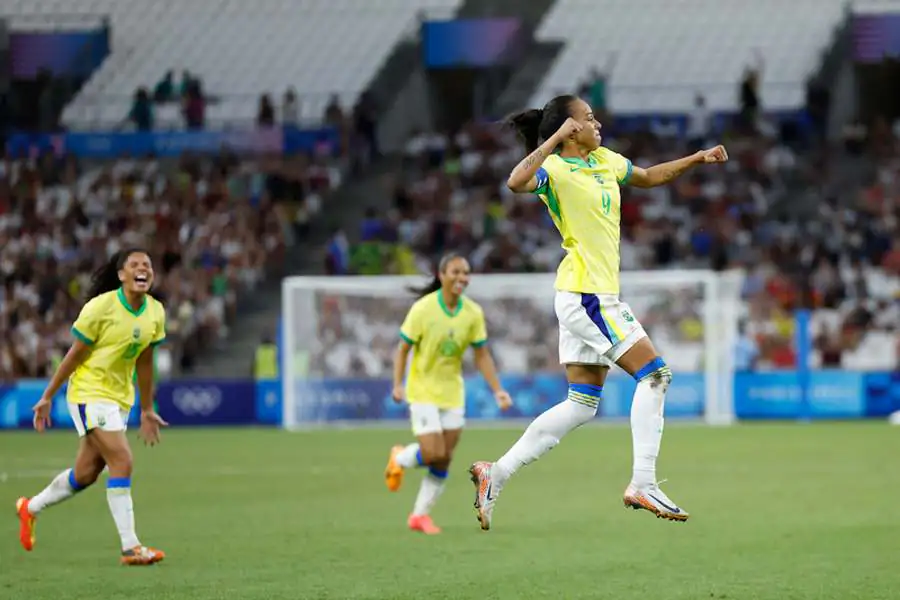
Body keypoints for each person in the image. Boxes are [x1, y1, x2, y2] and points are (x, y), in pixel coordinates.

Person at [468, 95, 728, 530]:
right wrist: (552, 140)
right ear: (570, 129)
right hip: (588, 295)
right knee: (656, 375)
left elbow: (646, 176)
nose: (597, 123)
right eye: (588, 118)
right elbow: (515, 182)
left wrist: (696, 159)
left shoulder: (603, 159)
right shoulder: (552, 169)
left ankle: (496, 472)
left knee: (582, 404)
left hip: (586, 294)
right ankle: (643, 482)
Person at [15, 249, 169, 565]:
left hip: (119, 398)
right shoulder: (100, 308)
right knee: (122, 460)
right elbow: (74, 354)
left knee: (85, 474)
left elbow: (145, 361)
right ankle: (131, 547)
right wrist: (47, 395)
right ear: (122, 275)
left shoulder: (155, 312)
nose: (143, 269)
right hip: (89, 392)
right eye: (135, 264)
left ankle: (29, 509)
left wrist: (146, 408)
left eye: (147, 265)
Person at [383, 253, 512, 534]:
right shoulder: (423, 309)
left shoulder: (472, 313)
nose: (461, 277)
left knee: (444, 458)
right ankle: (401, 457)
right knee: (432, 453)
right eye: (455, 271)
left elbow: (482, 355)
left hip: (452, 393)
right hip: (423, 390)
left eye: (465, 273)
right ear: (441, 275)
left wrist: (498, 390)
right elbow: (403, 348)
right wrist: (397, 384)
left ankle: (419, 516)